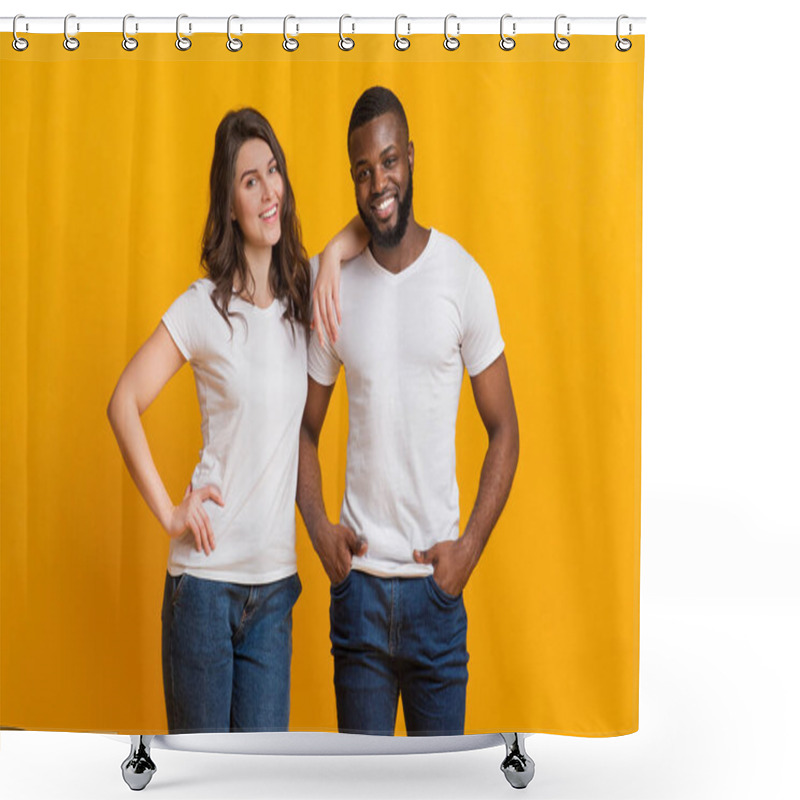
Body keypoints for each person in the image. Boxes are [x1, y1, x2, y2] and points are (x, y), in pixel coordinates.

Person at [107, 107, 354, 733]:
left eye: (273, 171)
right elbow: (123, 402)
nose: (269, 190)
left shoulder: (303, 297)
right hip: (204, 590)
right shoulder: (202, 308)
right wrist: (170, 511)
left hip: (274, 592)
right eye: (250, 180)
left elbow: (364, 232)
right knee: (206, 781)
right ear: (230, 200)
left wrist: (329, 260)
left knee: (260, 781)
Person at [298, 87, 520, 736]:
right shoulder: (335, 288)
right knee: (362, 788)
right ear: (353, 179)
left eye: (389, 161)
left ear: (412, 159)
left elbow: (505, 426)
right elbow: (303, 429)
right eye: (363, 171)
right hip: (359, 593)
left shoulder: (462, 279)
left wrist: (469, 549)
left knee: (441, 787)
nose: (379, 183)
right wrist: (319, 529)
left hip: (435, 594)